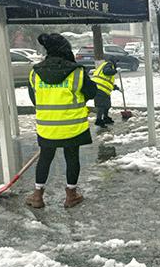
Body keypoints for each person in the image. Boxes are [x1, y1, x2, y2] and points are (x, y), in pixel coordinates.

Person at [26, 33, 97, 209]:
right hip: (73, 126)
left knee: (45, 157)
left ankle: (37, 195)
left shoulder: (35, 72)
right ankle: (71, 195)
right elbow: (91, 92)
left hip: (47, 127)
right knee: (72, 157)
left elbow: (34, 99)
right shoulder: (77, 72)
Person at [91, 60, 119, 128]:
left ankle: (105, 118)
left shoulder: (106, 65)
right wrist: (115, 71)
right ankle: (98, 120)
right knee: (101, 105)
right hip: (99, 88)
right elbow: (106, 72)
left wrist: (116, 87)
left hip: (103, 89)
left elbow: (106, 81)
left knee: (107, 105)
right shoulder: (109, 64)